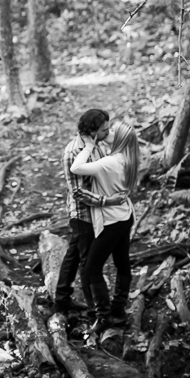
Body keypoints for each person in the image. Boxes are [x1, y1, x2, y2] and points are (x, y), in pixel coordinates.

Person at [53, 109, 126, 316]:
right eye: (104, 129)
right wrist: (107, 201)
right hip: (83, 214)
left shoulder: (96, 146)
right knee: (88, 262)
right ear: (93, 131)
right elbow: (77, 192)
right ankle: (95, 309)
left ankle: (61, 299)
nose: (108, 131)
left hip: (96, 212)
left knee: (74, 255)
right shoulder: (74, 152)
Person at [70, 120, 140, 333]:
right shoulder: (131, 158)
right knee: (122, 263)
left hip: (113, 222)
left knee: (91, 268)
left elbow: (76, 167)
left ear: (118, 139)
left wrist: (90, 146)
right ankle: (118, 311)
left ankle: (104, 317)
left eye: (112, 131)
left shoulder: (110, 162)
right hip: (125, 216)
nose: (107, 132)